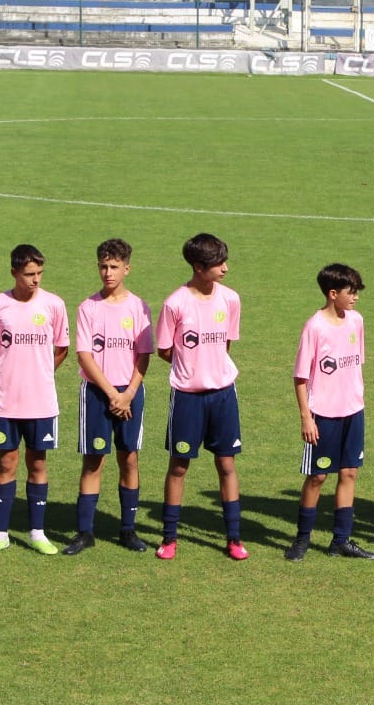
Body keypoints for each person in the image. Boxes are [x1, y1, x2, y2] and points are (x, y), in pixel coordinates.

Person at [156, 233, 247, 560]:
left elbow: (226, 343)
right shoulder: (175, 303)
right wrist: (191, 366)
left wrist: (210, 366)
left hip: (223, 395)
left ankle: (234, 538)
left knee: (226, 464)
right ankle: (169, 537)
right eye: (217, 264)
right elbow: (165, 349)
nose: (225, 268)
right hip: (187, 399)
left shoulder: (230, 299)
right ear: (198, 267)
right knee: (179, 467)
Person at [63, 238, 153, 556]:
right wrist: (113, 393)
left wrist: (127, 393)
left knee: (129, 458)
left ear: (127, 268)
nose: (108, 272)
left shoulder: (139, 307)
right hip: (98, 394)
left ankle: (127, 530)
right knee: (93, 460)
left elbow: (144, 355)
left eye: (114, 266)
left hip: (129, 393)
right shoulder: (88, 307)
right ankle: (84, 532)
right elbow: (84, 355)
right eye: (103, 266)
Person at [0, 244, 70, 556]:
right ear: (14, 273)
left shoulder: (54, 305)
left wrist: (41, 372)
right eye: (29, 274)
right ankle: (0, 534)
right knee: (6, 462)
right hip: (5, 401)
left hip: (41, 401)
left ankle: (37, 532)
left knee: (38, 462)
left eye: (39, 273)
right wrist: (7, 374)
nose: (35, 280)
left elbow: (61, 348)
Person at [286, 263, 374, 561]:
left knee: (349, 472)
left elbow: (355, 364)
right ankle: (301, 540)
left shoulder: (356, 322)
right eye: (352, 292)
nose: (356, 298)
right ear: (333, 293)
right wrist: (306, 417)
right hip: (323, 415)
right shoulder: (315, 327)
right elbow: (300, 377)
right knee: (318, 477)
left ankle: (341, 540)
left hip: (353, 411)